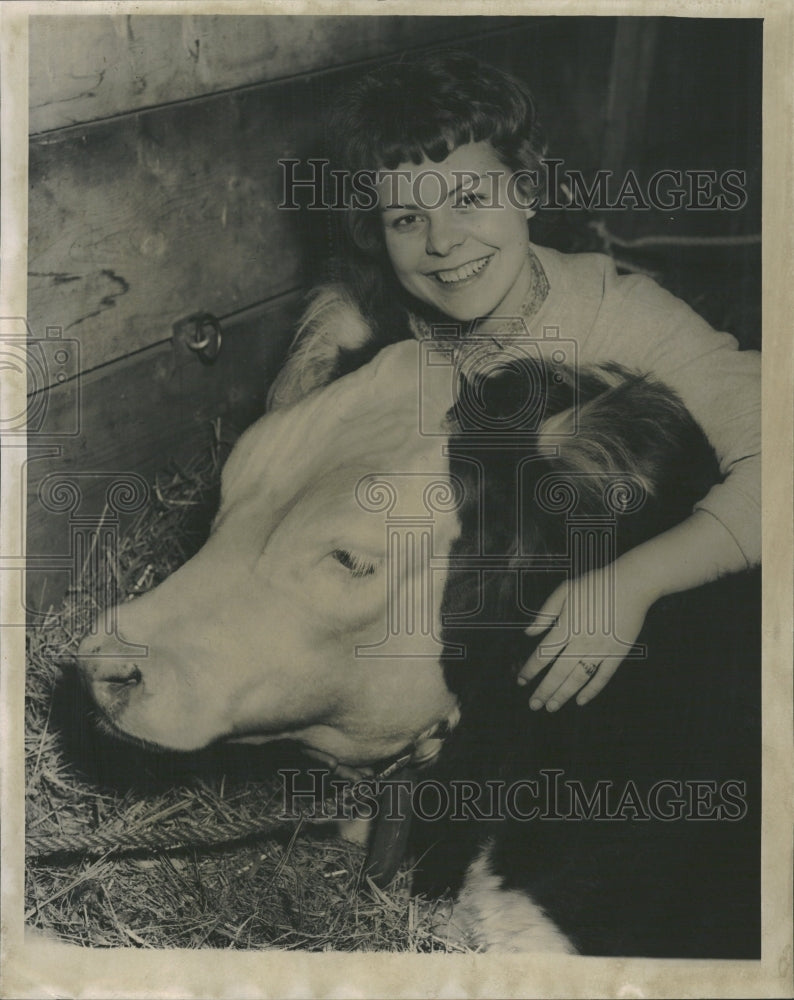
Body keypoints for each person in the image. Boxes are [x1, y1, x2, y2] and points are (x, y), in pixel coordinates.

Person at [267, 49, 761, 714]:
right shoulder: (358, 336)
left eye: (470, 199)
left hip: (583, 633)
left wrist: (633, 585)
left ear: (527, 191)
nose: (442, 241)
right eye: (407, 219)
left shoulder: (624, 315)